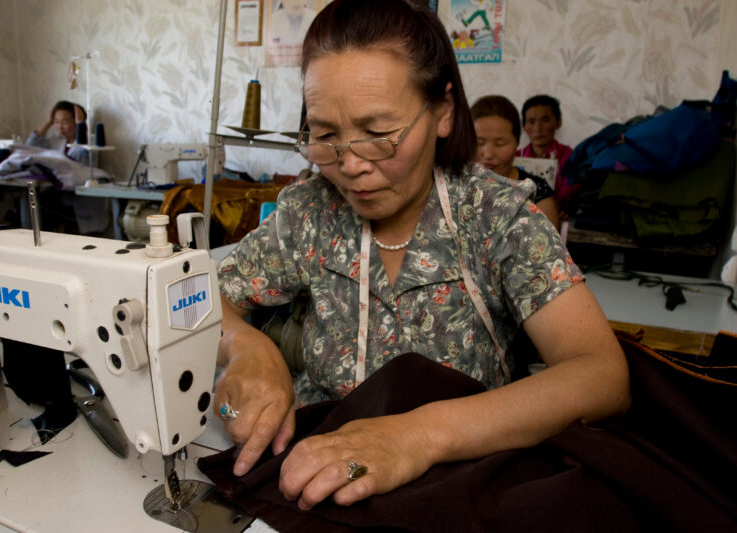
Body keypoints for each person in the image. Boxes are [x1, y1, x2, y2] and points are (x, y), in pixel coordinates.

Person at [215, 0, 629, 513]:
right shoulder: (309, 210)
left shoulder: (496, 217)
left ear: (443, 112)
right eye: (324, 136)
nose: (350, 165)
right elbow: (203, 300)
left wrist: (419, 436)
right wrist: (246, 346)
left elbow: (602, 375)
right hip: (311, 474)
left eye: (378, 134)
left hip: (459, 488)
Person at [470, 95, 561, 229]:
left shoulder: (537, 194)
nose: (488, 154)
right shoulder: (451, 187)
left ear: (517, 142)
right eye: (479, 143)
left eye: (500, 144)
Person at [517, 94, 577, 213]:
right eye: (531, 121)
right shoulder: (515, 158)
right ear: (524, 126)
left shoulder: (570, 157)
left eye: (545, 120)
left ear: (558, 122)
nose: (538, 128)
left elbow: (571, 194)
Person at [26, 100, 94, 167]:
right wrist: (48, 122)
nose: (60, 127)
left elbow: (81, 155)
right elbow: (30, 147)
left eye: (65, 122)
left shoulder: (90, 141)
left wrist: (81, 124)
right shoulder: (56, 139)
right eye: (56, 122)